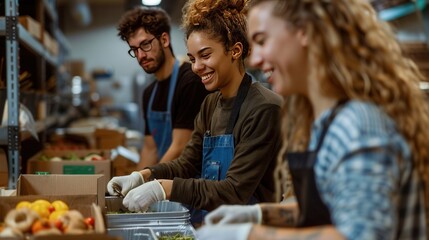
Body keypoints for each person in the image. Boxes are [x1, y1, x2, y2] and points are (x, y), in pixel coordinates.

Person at [197, 0, 429, 239]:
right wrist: (257, 214)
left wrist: (249, 234)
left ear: (304, 32)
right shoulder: (323, 123)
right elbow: (328, 209)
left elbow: (360, 235)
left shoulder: (358, 126)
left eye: (263, 41)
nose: (255, 59)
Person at [107, 0, 282, 225]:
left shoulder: (263, 108)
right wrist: (142, 176)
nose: (197, 67)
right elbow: (187, 164)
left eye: (205, 55)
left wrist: (163, 188)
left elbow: (234, 190)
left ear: (235, 50)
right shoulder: (210, 105)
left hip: (252, 231)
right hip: (213, 227)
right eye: (192, 59)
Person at [117, 7, 210, 168]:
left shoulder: (190, 81)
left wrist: (147, 181)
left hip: (188, 183)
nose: (140, 56)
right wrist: (133, 185)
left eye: (145, 44)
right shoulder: (149, 94)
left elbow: (180, 147)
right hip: (162, 179)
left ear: (164, 40)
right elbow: (149, 149)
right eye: (134, 49)